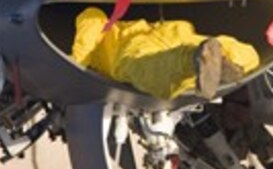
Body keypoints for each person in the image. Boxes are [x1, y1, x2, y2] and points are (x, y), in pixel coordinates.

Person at [70, 7, 261, 100]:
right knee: (230, 52)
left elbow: (92, 16)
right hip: (174, 31)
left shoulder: (100, 46)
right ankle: (237, 62)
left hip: (134, 45)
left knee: (147, 71)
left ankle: (194, 59)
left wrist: (78, 65)